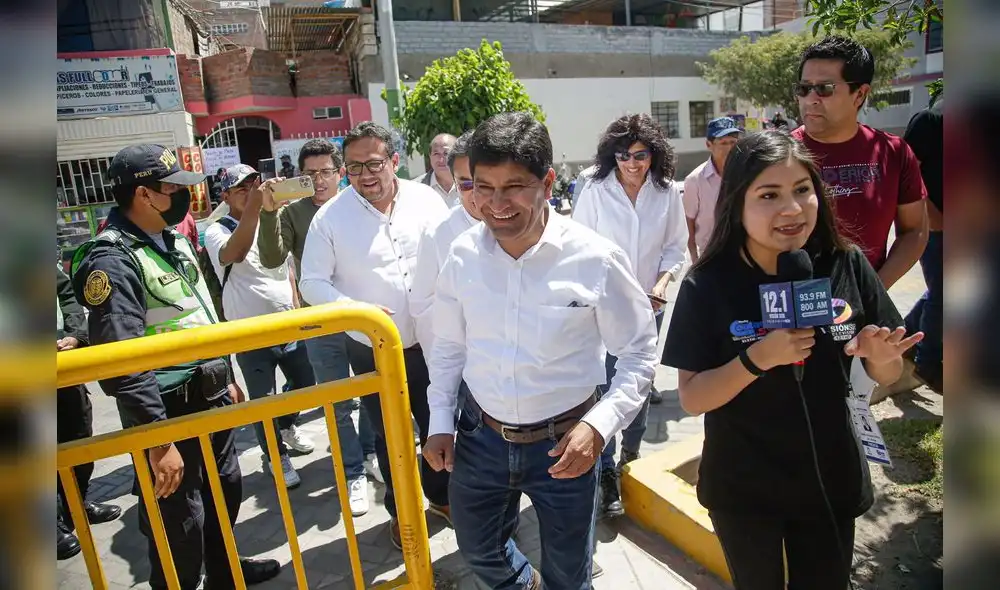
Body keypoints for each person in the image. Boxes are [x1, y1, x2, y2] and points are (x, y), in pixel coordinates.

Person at [661, 131, 923, 588]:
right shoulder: (707, 285)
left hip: (829, 476)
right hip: (745, 487)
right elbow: (692, 398)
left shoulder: (845, 263)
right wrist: (757, 359)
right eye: (769, 195)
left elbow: (888, 370)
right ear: (737, 204)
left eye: (803, 190)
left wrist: (881, 358)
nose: (792, 209)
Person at [422, 112, 658, 589]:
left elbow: (638, 353)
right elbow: (448, 345)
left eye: (514, 187)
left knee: (569, 576)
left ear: (548, 183)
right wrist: (440, 420)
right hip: (480, 439)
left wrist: (599, 427)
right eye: (483, 188)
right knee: (480, 550)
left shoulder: (595, 259)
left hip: (566, 445)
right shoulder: (462, 255)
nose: (496, 204)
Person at [70, 144, 279, 589]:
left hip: (211, 396)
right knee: (179, 523)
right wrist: (158, 439)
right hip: (166, 409)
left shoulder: (174, 240)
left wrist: (225, 375)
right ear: (144, 194)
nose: (185, 196)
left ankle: (225, 573)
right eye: (173, 188)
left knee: (225, 491)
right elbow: (121, 359)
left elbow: (202, 313)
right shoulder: (110, 259)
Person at [299, 121, 451, 549]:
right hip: (372, 348)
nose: (364, 175)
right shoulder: (330, 218)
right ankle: (402, 512)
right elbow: (311, 282)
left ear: (394, 161)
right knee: (390, 435)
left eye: (373, 164)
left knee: (440, 423)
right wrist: (355, 310)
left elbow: (455, 254)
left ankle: (442, 499)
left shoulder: (426, 200)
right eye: (353, 167)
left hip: (433, 342)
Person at [572, 113, 687, 517]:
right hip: (604, 309)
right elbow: (579, 244)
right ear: (612, 155)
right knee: (606, 388)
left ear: (654, 154)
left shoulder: (667, 191)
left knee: (638, 386)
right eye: (623, 155)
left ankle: (631, 458)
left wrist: (663, 282)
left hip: (649, 308)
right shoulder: (595, 189)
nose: (632, 164)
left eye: (640, 155)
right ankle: (605, 471)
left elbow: (675, 246)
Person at [257, 138, 381, 498]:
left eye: (326, 172)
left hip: (361, 317)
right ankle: (352, 471)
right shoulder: (293, 213)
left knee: (371, 393)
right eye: (310, 174)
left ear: (340, 173)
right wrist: (268, 212)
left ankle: (370, 453)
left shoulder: (358, 203)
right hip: (320, 322)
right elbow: (271, 259)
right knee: (337, 402)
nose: (319, 180)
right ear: (299, 176)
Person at [204, 164, 320, 493]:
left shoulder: (275, 218)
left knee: (306, 381)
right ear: (225, 196)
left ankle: (285, 425)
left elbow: (287, 268)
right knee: (263, 399)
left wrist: (297, 307)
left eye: (254, 186)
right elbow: (235, 252)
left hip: (287, 323)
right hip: (250, 332)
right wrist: (257, 207)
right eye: (241, 189)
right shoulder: (216, 230)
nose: (250, 193)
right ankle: (275, 456)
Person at [791, 35, 927, 288]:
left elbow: (914, 230)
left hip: (865, 306)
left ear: (860, 94)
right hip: (795, 302)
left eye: (825, 88)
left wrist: (874, 290)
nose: (811, 99)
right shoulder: (779, 155)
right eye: (804, 88)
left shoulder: (893, 152)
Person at [56, 263, 121, 561]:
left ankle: (76, 505)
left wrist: (75, 336)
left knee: (79, 436)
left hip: (62, 364)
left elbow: (66, 294)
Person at [411, 130, 479, 367]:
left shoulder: (524, 223)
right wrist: (445, 370)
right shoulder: (438, 233)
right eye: (467, 184)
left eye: (485, 182)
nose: (478, 193)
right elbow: (424, 306)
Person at [902, 94, 944, 393]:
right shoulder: (929, 121)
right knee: (946, 292)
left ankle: (907, 336)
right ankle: (927, 362)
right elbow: (907, 175)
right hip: (934, 225)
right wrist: (931, 215)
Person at [683, 116, 741, 264]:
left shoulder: (745, 174)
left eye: (733, 142)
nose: (729, 148)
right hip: (710, 257)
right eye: (723, 143)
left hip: (744, 255)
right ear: (709, 145)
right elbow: (688, 224)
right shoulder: (695, 180)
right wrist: (695, 261)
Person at [416, 133, 458, 206]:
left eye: (446, 153)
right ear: (430, 156)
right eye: (436, 154)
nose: (441, 159)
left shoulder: (470, 185)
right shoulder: (416, 188)